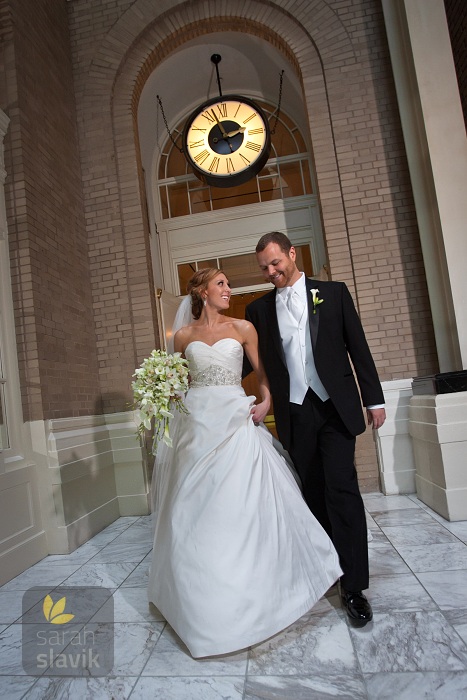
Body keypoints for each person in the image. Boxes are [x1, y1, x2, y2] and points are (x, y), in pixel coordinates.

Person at [147, 267, 342, 658]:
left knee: (243, 503)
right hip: (197, 425)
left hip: (237, 419)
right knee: (195, 509)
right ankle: (200, 602)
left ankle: (262, 590)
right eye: (221, 284)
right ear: (202, 292)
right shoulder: (183, 337)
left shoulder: (243, 329)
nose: (228, 289)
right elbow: (178, 382)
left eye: (227, 284)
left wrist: (266, 401)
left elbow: (264, 374)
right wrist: (161, 391)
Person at [244, 231, 386, 628]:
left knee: (343, 491)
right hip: (295, 414)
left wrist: (374, 399)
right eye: (264, 268)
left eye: (276, 262)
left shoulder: (334, 293)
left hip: (335, 408)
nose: (271, 272)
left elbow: (358, 346)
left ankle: (354, 587)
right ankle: (328, 570)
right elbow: (250, 364)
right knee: (313, 496)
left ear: (292, 254)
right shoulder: (258, 311)